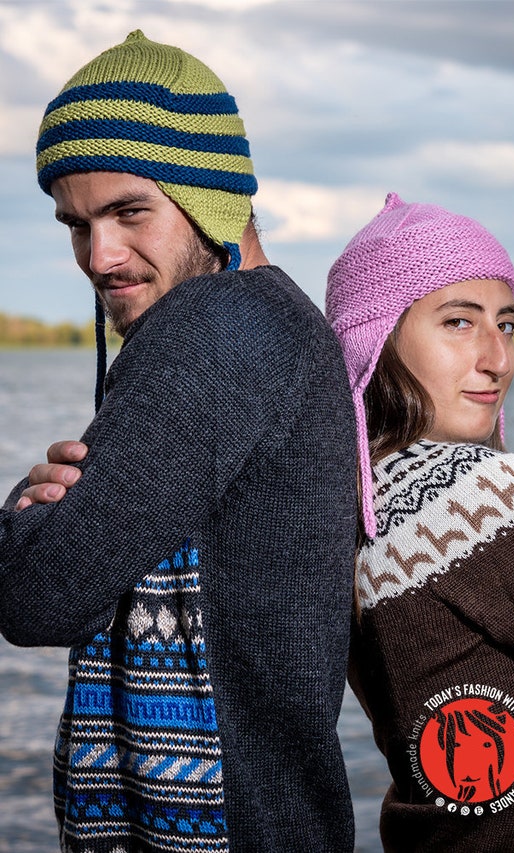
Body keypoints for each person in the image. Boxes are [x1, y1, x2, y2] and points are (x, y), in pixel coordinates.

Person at [0, 31, 357, 852]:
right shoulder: (280, 323)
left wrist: (28, 512)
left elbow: (34, 594)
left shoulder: (217, 325)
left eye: (130, 211)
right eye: (76, 223)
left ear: (212, 197)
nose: (101, 255)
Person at [325, 192, 514, 851]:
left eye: (506, 323)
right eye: (459, 322)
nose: (497, 356)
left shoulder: (341, 503)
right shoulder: (473, 490)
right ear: (374, 338)